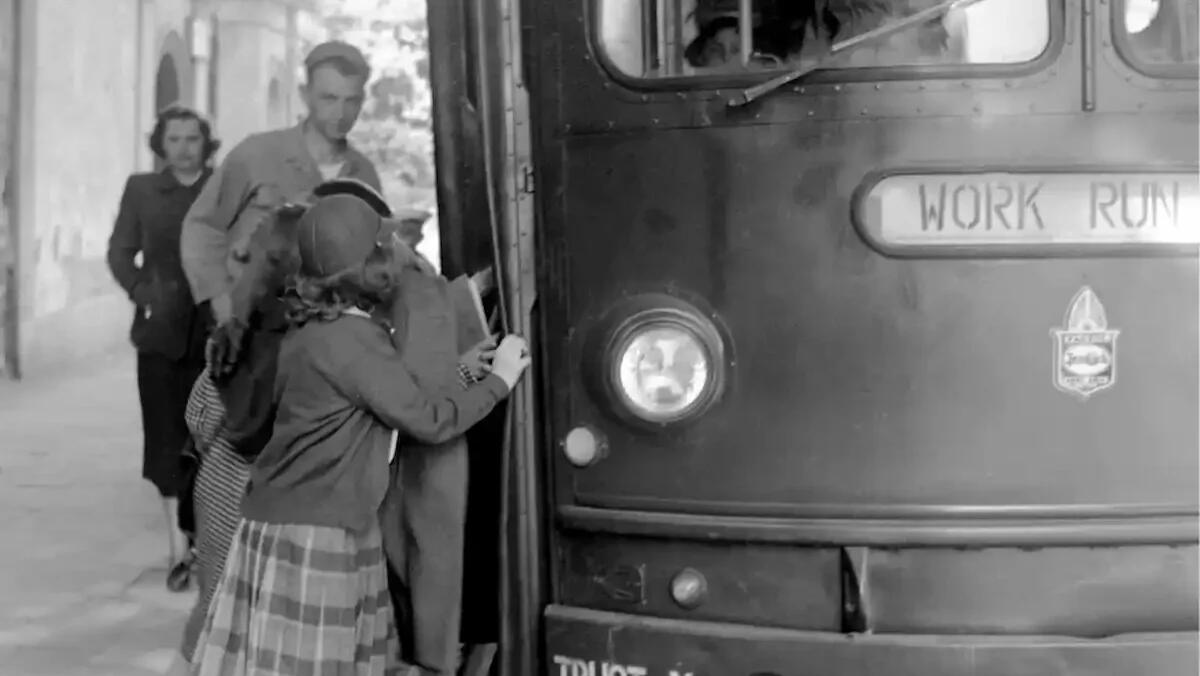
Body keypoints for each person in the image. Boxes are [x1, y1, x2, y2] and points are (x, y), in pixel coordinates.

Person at [189, 192, 531, 676]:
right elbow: (430, 421)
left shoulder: (309, 329)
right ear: (372, 267)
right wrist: (500, 379)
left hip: (286, 519)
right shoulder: (354, 343)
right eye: (385, 245)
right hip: (319, 532)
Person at [106, 104, 219, 591]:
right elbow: (119, 252)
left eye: (192, 138)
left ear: (205, 143)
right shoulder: (142, 189)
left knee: (215, 437)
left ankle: (209, 541)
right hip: (161, 334)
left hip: (216, 333)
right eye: (174, 139)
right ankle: (178, 548)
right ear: (161, 144)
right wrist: (143, 292)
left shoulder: (223, 187)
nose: (184, 148)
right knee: (166, 438)